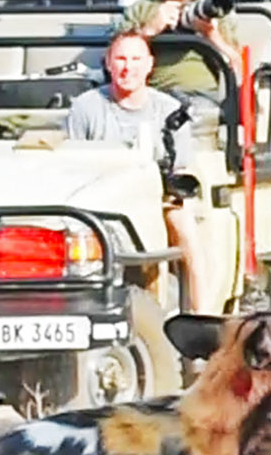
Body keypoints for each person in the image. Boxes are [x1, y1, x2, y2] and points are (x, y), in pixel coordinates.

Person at [64, 32, 206, 313]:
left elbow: (181, 167)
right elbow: (72, 164)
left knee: (185, 227)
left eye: (135, 59)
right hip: (99, 201)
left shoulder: (170, 110)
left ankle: (200, 316)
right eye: (120, 59)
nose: (127, 68)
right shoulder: (85, 107)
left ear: (149, 65)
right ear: (107, 63)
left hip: (156, 199)